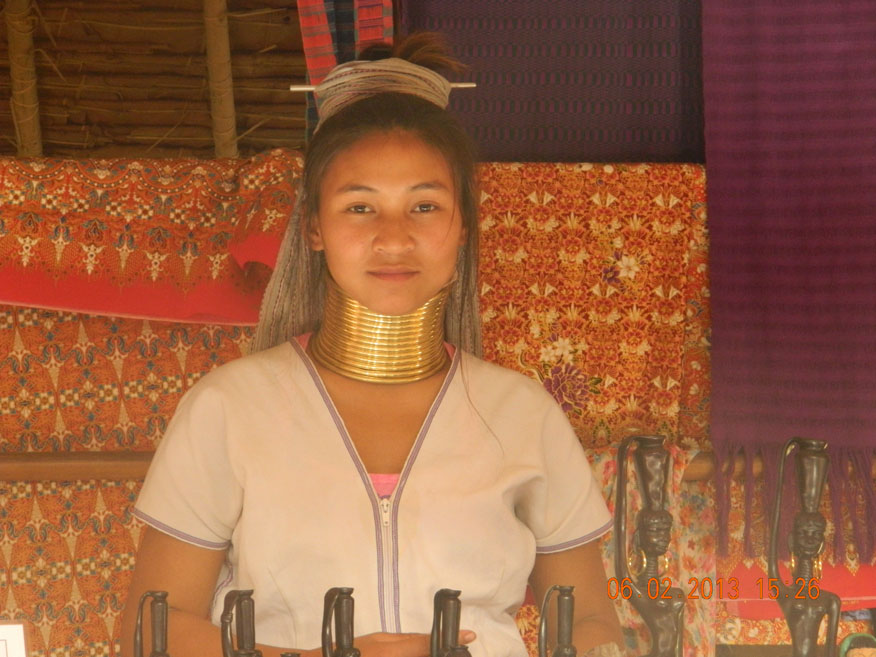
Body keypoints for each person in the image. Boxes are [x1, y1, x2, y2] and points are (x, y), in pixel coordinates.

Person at [120, 33, 625, 657]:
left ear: (462, 225)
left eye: (424, 206)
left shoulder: (522, 414)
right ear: (312, 226)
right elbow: (151, 629)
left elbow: (591, 622)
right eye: (360, 207)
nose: (393, 238)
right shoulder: (229, 408)